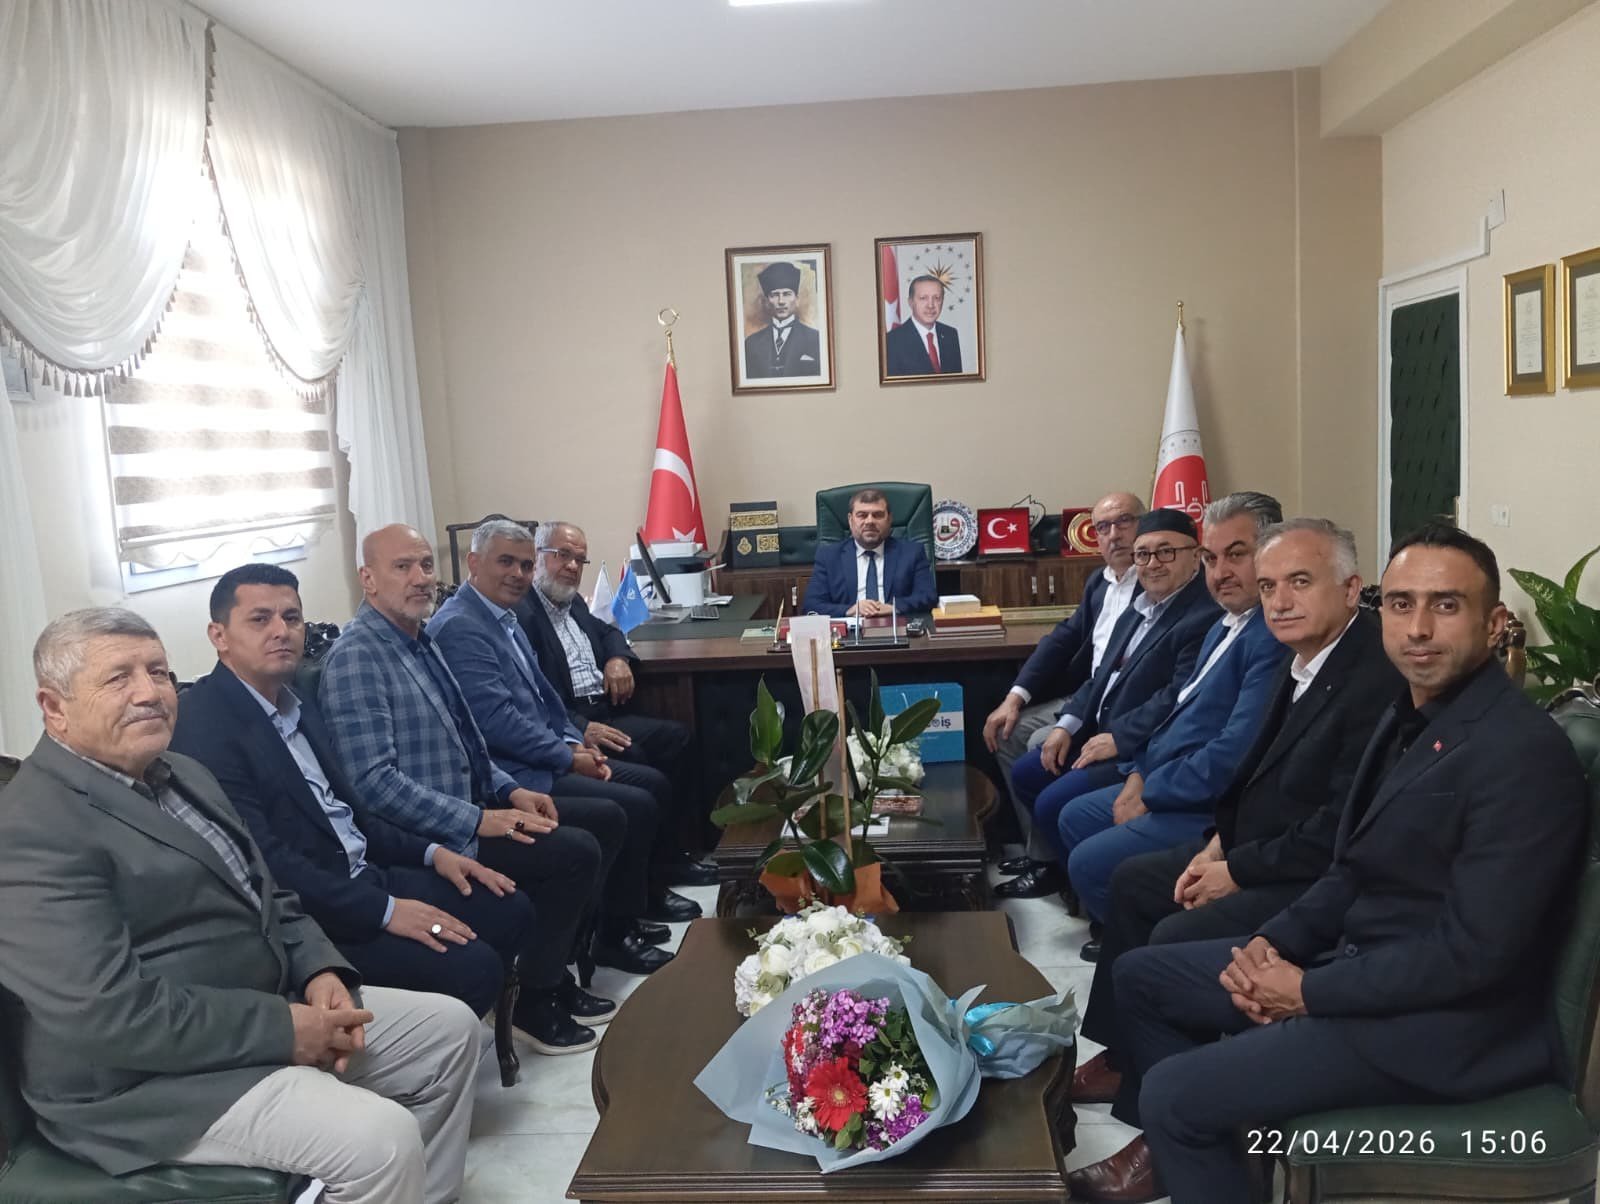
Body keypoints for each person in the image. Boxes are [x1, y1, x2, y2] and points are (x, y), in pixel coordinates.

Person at [1086, 522, 1589, 1204]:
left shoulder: (1520, 753)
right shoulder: (1412, 713)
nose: (1418, 628)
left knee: (1175, 1094)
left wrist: (1307, 992)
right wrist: (1269, 946)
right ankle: (1221, 1151)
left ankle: (1200, 1131)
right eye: (1403, 604)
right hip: (1363, 968)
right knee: (1142, 977)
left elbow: (1474, 956)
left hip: (1443, 1029)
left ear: (1494, 623)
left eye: (1445, 605)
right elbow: (1351, 867)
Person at [0, 607, 481, 1204]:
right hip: (143, 1085)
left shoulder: (183, 773)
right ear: (54, 708)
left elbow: (268, 892)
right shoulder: (29, 831)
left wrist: (320, 969)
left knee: (448, 1033)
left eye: (159, 671)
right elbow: (108, 1014)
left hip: (264, 1009)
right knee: (379, 1141)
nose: (150, 693)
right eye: (118, 678)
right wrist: (283, 1029)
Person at [1067, 519, 1402, 1198]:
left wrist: (1237, 871)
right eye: (1270, 586)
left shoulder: (1371, 676)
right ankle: (1127, 1061)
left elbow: (1338, 826)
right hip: (1258, 846)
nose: (1280, 601)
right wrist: (1218, 845)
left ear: (1351, 589)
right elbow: (1251, 772)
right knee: (1136, 882)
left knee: (1172, 934)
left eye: (1300, 582)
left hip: (1311, 877)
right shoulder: (1298, 655)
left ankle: (1168, 1133)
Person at [171, 563, 537, 1026]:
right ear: (219, 635)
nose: (281, 631)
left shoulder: (297, 699)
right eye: (260, 619)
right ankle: (437, 1045)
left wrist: (433, 853)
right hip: (315, 914)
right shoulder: (205, 725)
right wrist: (386, 912)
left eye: (291, 617)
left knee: (509, 909)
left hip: (366, 873)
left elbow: (351, 814)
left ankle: (495, 1026)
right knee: (473, 967)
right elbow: (266, 863)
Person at [319, 524, 610, 1055]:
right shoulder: (358, 656)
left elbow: (468, 741)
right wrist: (478, 820)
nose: (420, 578)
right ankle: (533, 999)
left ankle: (549, 977)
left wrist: (509, 791)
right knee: (572, 853)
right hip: (422, 837)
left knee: (583, 830)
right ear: (368, 579)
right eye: (402, 567)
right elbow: (373, 784)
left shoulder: (419, 639)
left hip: (470, 808)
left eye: (426, 565)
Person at [432, 520, 691, 969]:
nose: (518, 574)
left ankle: (619, 920)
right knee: (629, 805)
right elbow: (496, 723)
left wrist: (573, 741)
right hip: (514, 774)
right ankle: (608, 935)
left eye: (524, 565)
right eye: (506, 562)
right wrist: (567, 756)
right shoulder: (461, 626)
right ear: (473, 562)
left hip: (544, 754)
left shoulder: (502, 616)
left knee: (646, 786)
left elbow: (544, 700)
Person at [1056, 491, 1290, 950]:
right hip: (1164, 773)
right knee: (1073, 817)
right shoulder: (1225, 624)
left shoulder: (1270, 637)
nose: (1219, 573)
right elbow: (1180, 713)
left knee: (1088, 860)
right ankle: (1123, 926)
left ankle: (1146, 940)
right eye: (1211, 558)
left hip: (1204, 803)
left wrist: (1153, 789)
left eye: (1236, 555)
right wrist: (1140, 772)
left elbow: (1233, 752)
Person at [997, 508, 1217, 900]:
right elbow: (1101, 676)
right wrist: (1066, 724)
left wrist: (1119, 737)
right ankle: (1064, 874)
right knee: (1029, 772)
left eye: (1166, 552)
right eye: (1143, 554)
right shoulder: (1139, 606)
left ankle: (1085, 889)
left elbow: (1178, 696)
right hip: (1103, 726)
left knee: (1052, 802)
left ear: (1196, 556)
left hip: (1139, 745)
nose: (1153, 563)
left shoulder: (1203, 615)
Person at [517, 520, 713, 886]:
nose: (572, 566)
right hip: (571, 723)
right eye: (563, 555)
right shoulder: (523, 614)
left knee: (678, 738)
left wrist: (617, 658)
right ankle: (652, 875)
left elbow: (608, 631)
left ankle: (677, 853)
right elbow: (536, 698)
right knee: (635, 757)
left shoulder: (571, 601)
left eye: (580, 559)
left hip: (603, 709)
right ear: (538, 557)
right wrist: (579, 728)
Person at [983, 491, 1145, 881]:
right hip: (1090, 695)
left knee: (1041, 743)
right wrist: (1014, 697)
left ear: (1145, 524)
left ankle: (1050, 865)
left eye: (1124, 521)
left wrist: (1069, 723)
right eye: (1103, 527)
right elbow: (1063, 638)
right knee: (1007, 731)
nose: (1114, 535)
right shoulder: (1100, 582)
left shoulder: (1155, 586)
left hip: (1119, 711)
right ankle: (1039, 853)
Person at [802, 488, 938, 616]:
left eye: (877, 515)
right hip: (850, 627)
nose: (870, 521)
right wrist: (851, 610)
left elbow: (928, 597)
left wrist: (893, 608)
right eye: (862, 515)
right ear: (850, 520)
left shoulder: (912, 553)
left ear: (889, 519)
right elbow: (812, 605)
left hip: (895, 625)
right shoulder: (829, 556)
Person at [743, 260, 822, 379]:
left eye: (787, 294)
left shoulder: (815, 339)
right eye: (774, 295)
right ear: (767, 301)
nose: (781, 301)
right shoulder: (751, 344)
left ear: (797, 299)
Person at [885, 274, 963, 376]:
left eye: (937, 298)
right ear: (910, 302)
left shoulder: (950, 334)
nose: (930, 305)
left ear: (942, 301)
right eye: (923, 298)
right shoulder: (892, 341)